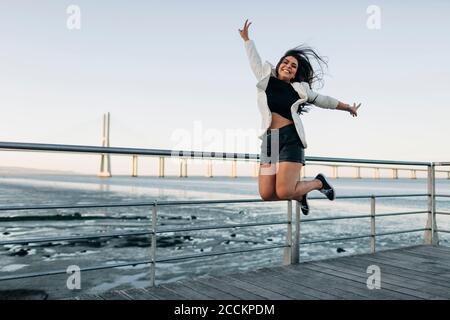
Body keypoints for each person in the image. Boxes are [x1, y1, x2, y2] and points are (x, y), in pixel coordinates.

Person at [239, 19, 361, 215]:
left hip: (290, 138)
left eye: (293, 66)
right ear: (279, 66)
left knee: (284, 190)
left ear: (296, 73)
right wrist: (247, 40)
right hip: (270, 141)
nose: (288, 66)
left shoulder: (300, 89)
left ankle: (318, 183)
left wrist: (347, 107)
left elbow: (323, 100)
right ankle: (300, 194)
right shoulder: (266, 80)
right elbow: (254, 60)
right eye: (285, 62)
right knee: (266, 193)